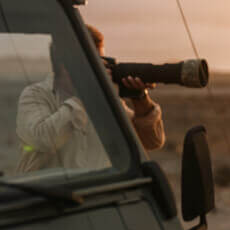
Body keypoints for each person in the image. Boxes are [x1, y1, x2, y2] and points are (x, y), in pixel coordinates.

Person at [15, 24, 165, 173]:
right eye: (95, 63)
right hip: (51, 193)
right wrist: (85, 93)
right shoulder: (36, 95)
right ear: (65, 63)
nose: (101, 68)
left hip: (96, 193)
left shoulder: (103, 98)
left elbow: (152, 141)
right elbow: (42, 140)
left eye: (103, 63)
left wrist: (140, 99)